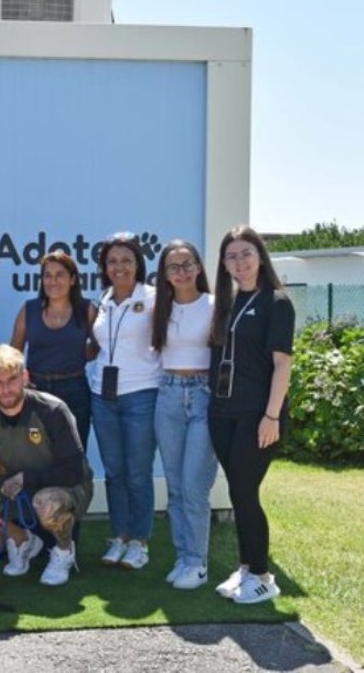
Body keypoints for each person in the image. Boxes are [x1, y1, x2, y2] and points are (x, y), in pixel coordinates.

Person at [0, 344, 94, 586]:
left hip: (67, 487)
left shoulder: (52, 410)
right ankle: (22, 540)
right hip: (16, 487)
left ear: (25, 377)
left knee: (47, 502)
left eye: (12, 379)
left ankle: (64, 552)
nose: (6, 389)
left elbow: (74, 470)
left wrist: (26, 479)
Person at [208, 226, 293, 604]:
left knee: (245, 491)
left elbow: (282, 365)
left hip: (258, 416)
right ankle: (245, 570)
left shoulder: (276, 302)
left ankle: (262, 575)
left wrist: (271, 416)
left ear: (260, 256)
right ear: (223, 264)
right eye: (231, 256)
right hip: (223, 413)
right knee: (239, 491)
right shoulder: (226, 304)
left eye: (246, 253)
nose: (239, 262)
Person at [88, 232, 161, 570]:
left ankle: (140, 542)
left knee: (138, 473)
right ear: (104, 266)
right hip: (103, 395)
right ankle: (119, 536)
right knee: (114, 472)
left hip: (141, 395)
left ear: (138, 264)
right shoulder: (102, 300)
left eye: (126, 260)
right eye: (113, 261)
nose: (120, 267)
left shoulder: (154, 297)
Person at [151, 240, 218, 590]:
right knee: (176, 487)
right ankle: (183, 557)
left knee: (195, 485)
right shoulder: (159, 308)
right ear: (164, 274)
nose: (181, 272)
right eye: (173, 267)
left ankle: (198, 561)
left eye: (187, 264)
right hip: (169, 396)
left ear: (198, 267)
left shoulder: (215, 305)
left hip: (205, 397)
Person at [10, 250, 97, 448]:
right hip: (35, 389)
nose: (53, 281)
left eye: (60, 275)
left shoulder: (87, 310)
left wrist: (76, 356)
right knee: (36, 454)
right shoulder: (29, 309)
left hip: (75, 389)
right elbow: (14, 353)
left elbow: (99, 346)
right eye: (47, 275)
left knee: (73, 454)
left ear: (73, 279)